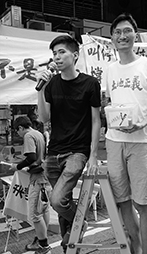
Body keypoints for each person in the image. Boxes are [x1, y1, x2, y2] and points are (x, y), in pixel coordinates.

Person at [105, 12, 147, 254]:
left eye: (127, 31)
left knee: (142, 203)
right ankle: (135, 249)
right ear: (112, 38)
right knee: (123, 202)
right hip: (114, 141)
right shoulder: (109, 70)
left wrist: (142, 123)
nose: (122, 36)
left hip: (141, 142)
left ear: (135, 35)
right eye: (118, 32)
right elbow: (111, 103)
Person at [37, 34, 101, 253]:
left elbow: (95, 120)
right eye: (54, 53)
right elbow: (44, 119)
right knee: (63, 200)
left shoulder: (90, 83)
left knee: (57, 201)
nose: (57, 57)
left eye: (61, 52)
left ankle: (79, 223)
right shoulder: (51, 84)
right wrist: (41, 89)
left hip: (77, 152)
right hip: (53, 153)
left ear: (75, 55)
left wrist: (93, 154)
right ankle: (70, 246)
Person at [10, 116, 52, 254]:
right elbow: (38, 158)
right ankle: (41, 240)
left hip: (37, 179)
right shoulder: (38, 133)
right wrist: (29, 166)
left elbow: (31, 157)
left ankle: (43, 245)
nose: (18, 134)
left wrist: (18, 166)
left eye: (17, 131)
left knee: (34, 214)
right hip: (45, 177)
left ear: (21, 128)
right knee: (44, 210)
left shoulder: (28, 135)